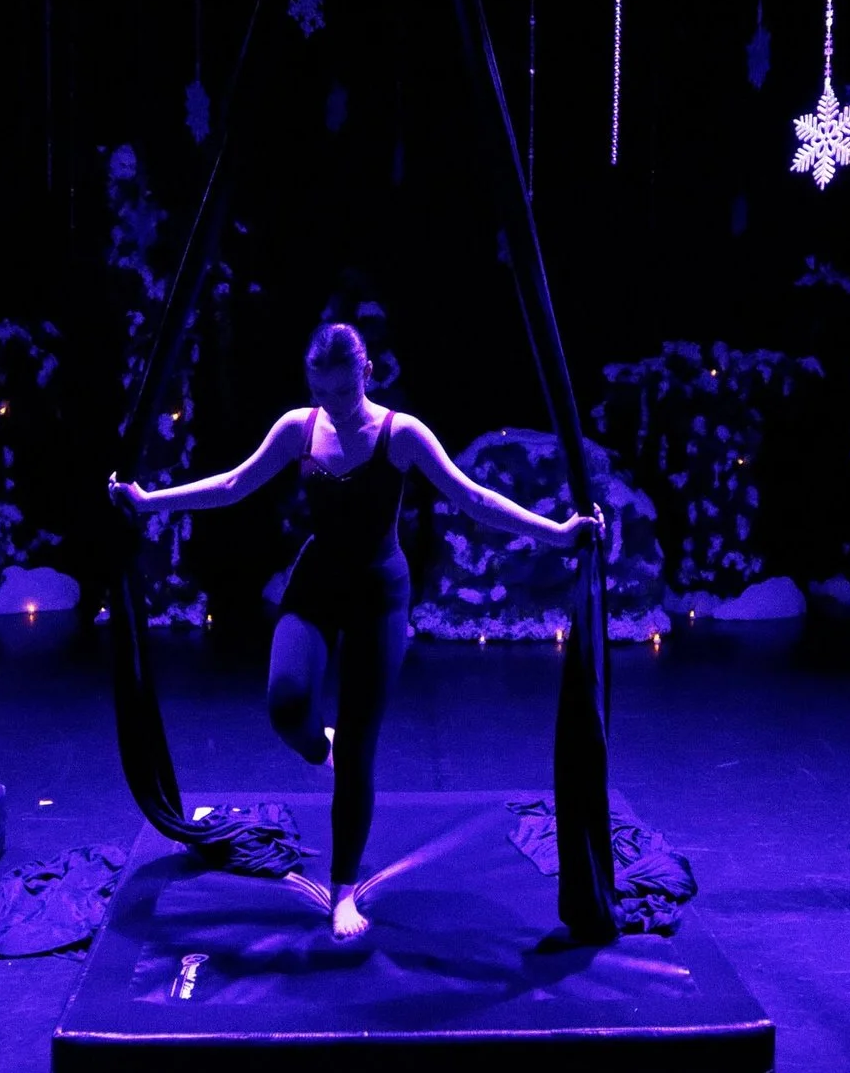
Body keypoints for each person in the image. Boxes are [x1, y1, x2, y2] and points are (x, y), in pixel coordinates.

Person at [109, 322, 599, 942]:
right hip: (315, 585)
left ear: (365, 375)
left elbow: (472, 498)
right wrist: (148, 501)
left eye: (343, 391)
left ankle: (343, 890)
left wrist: (558, 534)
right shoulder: (298, 429)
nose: (334, 406)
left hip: (378, 598)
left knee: (360, 753)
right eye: (322, 392)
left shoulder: (402, 435)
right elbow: (233, 485)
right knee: (286, 707)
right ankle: (322, 744)